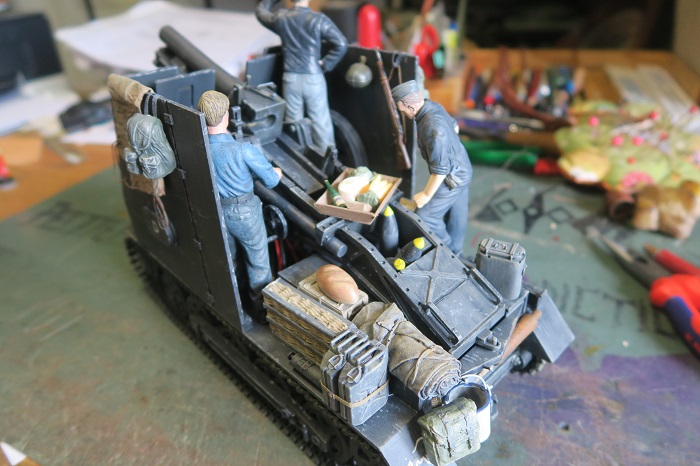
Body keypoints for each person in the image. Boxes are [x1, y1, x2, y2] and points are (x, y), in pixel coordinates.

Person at [197, 90, 282, 308]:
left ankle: (236, 304)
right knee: (258, 264)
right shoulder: (243, 149)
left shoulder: (198, 149)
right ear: (226, 116)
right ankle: (260, 310)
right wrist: (277, 172)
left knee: (230, 260)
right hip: (245, 213)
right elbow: (271, 181)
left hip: (217, 212)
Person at [391, 80, 472, 255]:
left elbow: (440, 170)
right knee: (457, 211)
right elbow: (455, 127)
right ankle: (457, 250)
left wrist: (426, 194)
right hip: (462, 167)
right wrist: (449, 149)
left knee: (426, 216)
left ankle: (449, 252)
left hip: (452, 177)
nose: (403, 113)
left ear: (410, 106)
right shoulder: (433, 106)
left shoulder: (432, 128)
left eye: (402, 110)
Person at [256, 0, 347, 149]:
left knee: (294, 122)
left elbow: (261, 13)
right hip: (313, 77)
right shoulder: (319, 20)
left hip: (291, 78)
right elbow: (341, 44)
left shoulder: (282, 18)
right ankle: (329, 154)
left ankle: (297, 153)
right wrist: (325, 63)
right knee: (320, 121)